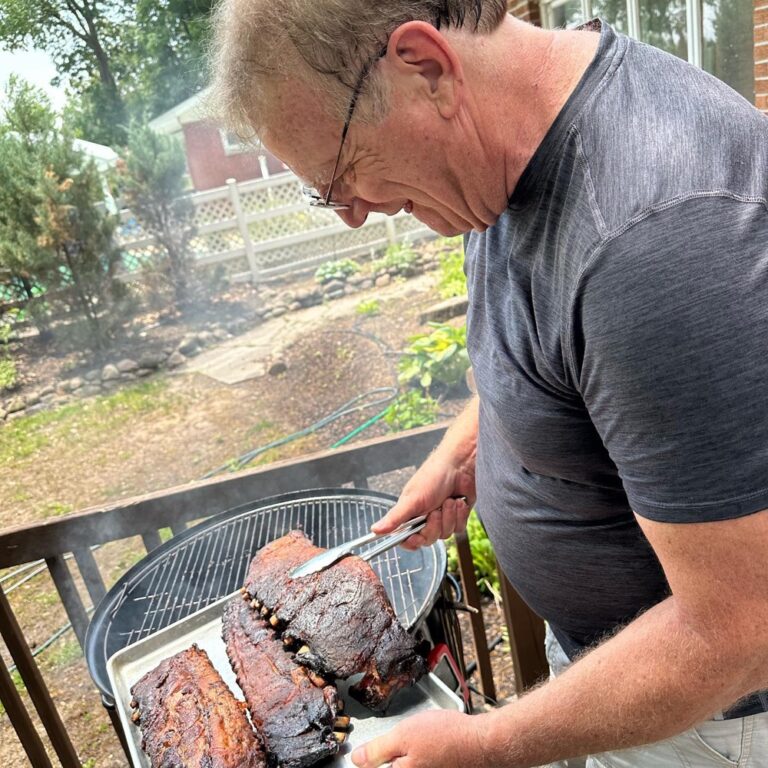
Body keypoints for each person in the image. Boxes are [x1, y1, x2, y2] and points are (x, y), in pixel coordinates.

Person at [210, 2, 768, 766]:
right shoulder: (498, 160)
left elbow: (740, 629)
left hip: (712, 722)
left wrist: (493, 741)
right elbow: (566, 351)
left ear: (426, 67)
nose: (352, 217)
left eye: (341, 174)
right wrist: (470, 445)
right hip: (622, 672)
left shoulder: (658, 239)